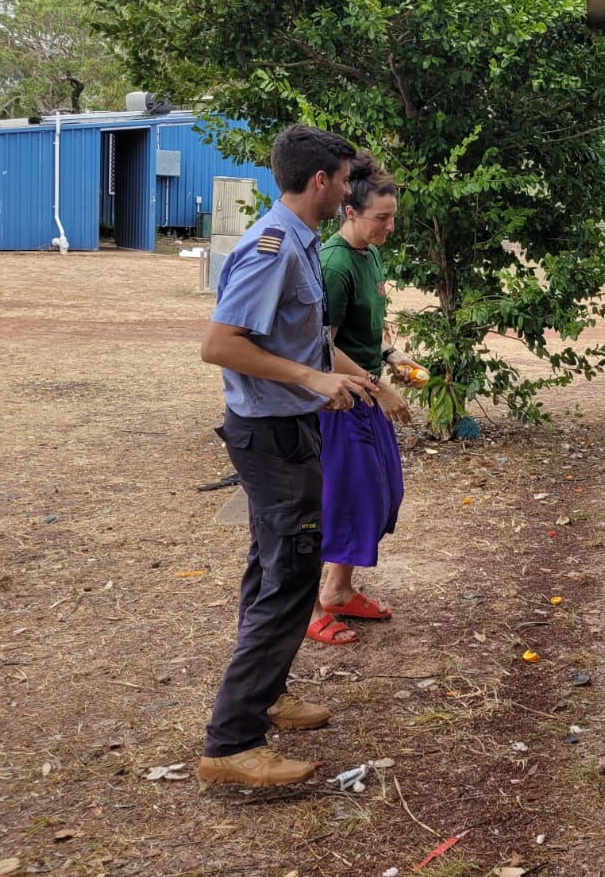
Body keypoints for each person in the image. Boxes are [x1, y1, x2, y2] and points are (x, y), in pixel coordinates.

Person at [196, 125, 380, 788]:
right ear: (322, 182)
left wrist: (345, 379)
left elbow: (297, 342)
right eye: (343, 179)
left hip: (288, 429)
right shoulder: (274, 249)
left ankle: (266, 696)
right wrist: (311, 380)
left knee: (271, 565)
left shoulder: (299, 244)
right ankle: (231, 742)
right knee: (293, 576)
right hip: (268, 437)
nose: (349, 192)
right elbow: (219, 345)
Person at [305, 154, 413, 647]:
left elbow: (362, 329)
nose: (388, 227)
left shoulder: (369, 253)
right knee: (340, 502)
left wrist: (391, 356)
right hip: (341, 400)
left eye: (392, 218)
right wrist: (377, 383)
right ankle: (314, 603)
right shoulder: (334, 264)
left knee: (377, 494)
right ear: (350, 212)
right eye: (380, 219)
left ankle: (341, 590)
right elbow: (321, 347)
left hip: (366, 387)